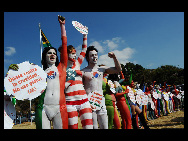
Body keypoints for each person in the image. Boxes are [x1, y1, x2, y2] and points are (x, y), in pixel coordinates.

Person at [35, 15, 68, 129]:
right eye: (49, 53)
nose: (53, 54)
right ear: (45, 57)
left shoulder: (62, 67)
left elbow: (64, 46)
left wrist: (62, 26)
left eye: (54, 53)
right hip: (43, 107)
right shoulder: (39, 72)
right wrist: (13, 71)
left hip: (60, 108)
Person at [59, 28, 93, 129]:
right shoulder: (61, 67)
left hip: (84, 100)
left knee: (89, 127)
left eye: (75, 53)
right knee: (73, 127)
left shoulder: (78, 63)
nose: (75, 55)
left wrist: (85, 35)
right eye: (72, 53)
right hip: (70, 102)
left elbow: (84, 50)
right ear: (66, 53)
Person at [81, 46, 122, 129]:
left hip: (101, 101)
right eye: (92, 55)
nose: (94, 57)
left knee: (104, 126)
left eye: (96, 55)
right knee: (94, 127)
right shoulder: (83, 71)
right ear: (88, 58)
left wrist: (114, 57)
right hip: (89, 103)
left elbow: (118, 69)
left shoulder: (102, 69)